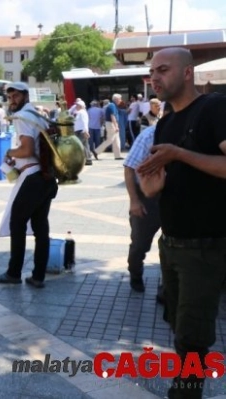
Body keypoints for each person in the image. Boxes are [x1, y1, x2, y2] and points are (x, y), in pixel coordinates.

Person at [137, 47, 226, 399]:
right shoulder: (165, 123)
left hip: (205, 246)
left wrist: (179, 154)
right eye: (152, 72)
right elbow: (163, 182)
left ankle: (185, 394)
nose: (154, 78)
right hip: (171, 243)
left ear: (187, 73)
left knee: (192, 336)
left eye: (163, 70)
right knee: (178, 326)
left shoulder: (214, 108)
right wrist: (152, 186)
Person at [0, 82, 58, 288]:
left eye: (16, 96)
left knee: (17, 223)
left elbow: (27, 149)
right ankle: (38, 276)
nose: (12, 100)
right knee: (41, 227)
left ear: (25, 96)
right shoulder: (39, 116)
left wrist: (10, 153)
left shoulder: (22, 118)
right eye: (10, 96)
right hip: (46, 177)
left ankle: (14, 273)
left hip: (33, 177)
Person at [123, 102, 172, 294]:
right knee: (140, 244)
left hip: (173, 196)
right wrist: (134, 201)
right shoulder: (149, 136)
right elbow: (129, 168)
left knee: (172, 245)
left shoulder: (187, 134)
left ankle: (167, 288)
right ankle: (135, 274)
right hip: (146, 196)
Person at [95, 93, 124, 160]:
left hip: (111, 124)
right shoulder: (112, 106)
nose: (121, 100)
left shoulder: (112, 105)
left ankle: (117, 155)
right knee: (110, 140)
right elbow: (112, 116)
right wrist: (116, 126)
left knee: (116, 140)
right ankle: (96, 151)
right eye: (120, 99)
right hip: (111, 124)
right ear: (116, 99)